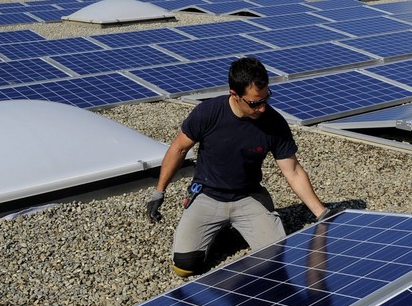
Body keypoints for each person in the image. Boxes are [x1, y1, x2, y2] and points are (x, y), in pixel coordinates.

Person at [146, 56, 340, 277]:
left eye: (266, 99)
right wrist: (159, 192)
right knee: (184, 267)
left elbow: (293, 171)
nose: (263, 108)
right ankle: (219, 232)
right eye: (255, 103)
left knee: (275, 260)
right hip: (208, 195)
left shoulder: (274, 123)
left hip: (248, 196)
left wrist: (321, 213)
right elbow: (178, 149)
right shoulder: (208, 113)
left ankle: (236, 227)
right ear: (235, 95)